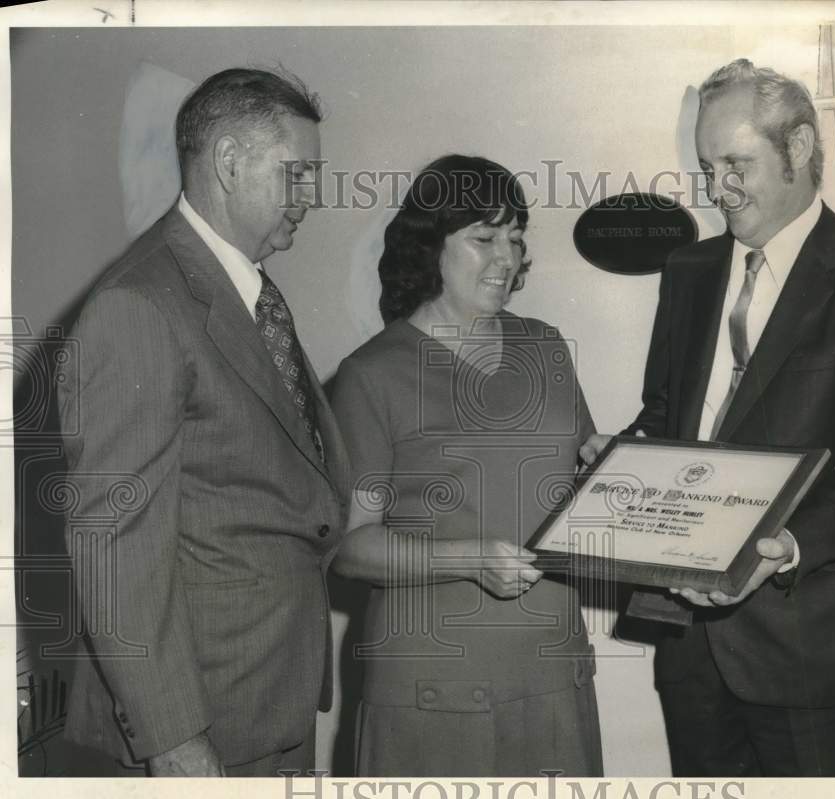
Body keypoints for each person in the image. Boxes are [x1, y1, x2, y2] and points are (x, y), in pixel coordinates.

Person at [580, 59, 835, 776]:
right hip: (690, 648)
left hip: (817, 653)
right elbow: (668, 420)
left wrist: (786, 547)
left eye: (737, 163)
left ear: (800, 147)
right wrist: (619, 458)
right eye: (708, 167)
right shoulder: (689, 269)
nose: (719, 188)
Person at [56, 68, 350, 777]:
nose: (311, 196)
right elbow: (113, 546)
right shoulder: (142, 304)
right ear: (227, 160)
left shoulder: (239, 291)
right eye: (297, 173)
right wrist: (173, 740)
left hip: (260, 702)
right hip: (199, 728)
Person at [327, 154, 603, 777]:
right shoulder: (373, 375)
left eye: (514, 236)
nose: (505, 256)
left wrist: (619, 472)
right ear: (430, 247)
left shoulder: (545, 346)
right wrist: (469, 558)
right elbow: (350, 546)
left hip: (553, 670)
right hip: (432, 689)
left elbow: (582, 479)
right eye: (482, 237)